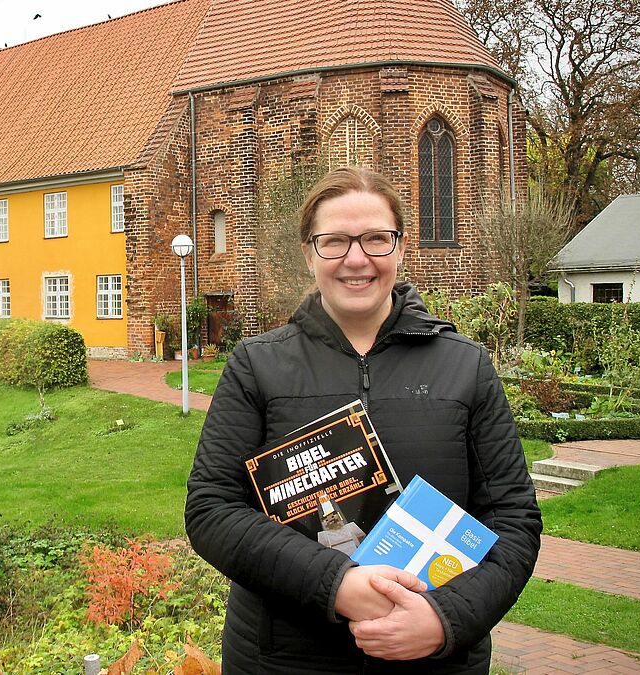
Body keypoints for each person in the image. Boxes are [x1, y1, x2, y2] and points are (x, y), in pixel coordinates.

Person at [185, 166, 542, 674]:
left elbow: (513, 520)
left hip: (434, 661)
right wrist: (337, 584)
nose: (357, 259)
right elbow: (212, 510)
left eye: (376, 239)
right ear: (309, 253)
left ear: (400, 248)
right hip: (283, 659)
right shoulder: (257, 366)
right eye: (334, 242)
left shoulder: (466, 366)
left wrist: (446, 618)